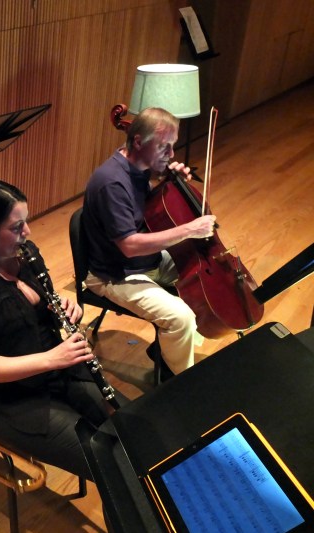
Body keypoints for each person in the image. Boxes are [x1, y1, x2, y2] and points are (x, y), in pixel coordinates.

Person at [0, 179, 119, 479]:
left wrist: (69, 309)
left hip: (60, 374)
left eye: (25, 223)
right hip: (16, 400)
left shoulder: (27, 256)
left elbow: (38, 316)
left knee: (131, 426)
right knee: (109, 465)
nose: (26, 233)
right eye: (16, 227)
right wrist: (54, 358)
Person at [82, 107, 217, 376]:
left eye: (172, 146)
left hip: (142, 261)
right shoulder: (111, 182)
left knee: (202, 273)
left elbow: (149, 206)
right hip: (113, 274)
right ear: (138, 142)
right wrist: (189, 229)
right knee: (180, 317)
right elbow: (129, 245)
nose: (171, 154)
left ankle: (166, 351)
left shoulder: (139, 165)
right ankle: (179, 380)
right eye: (164, 147)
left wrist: (171, 181)